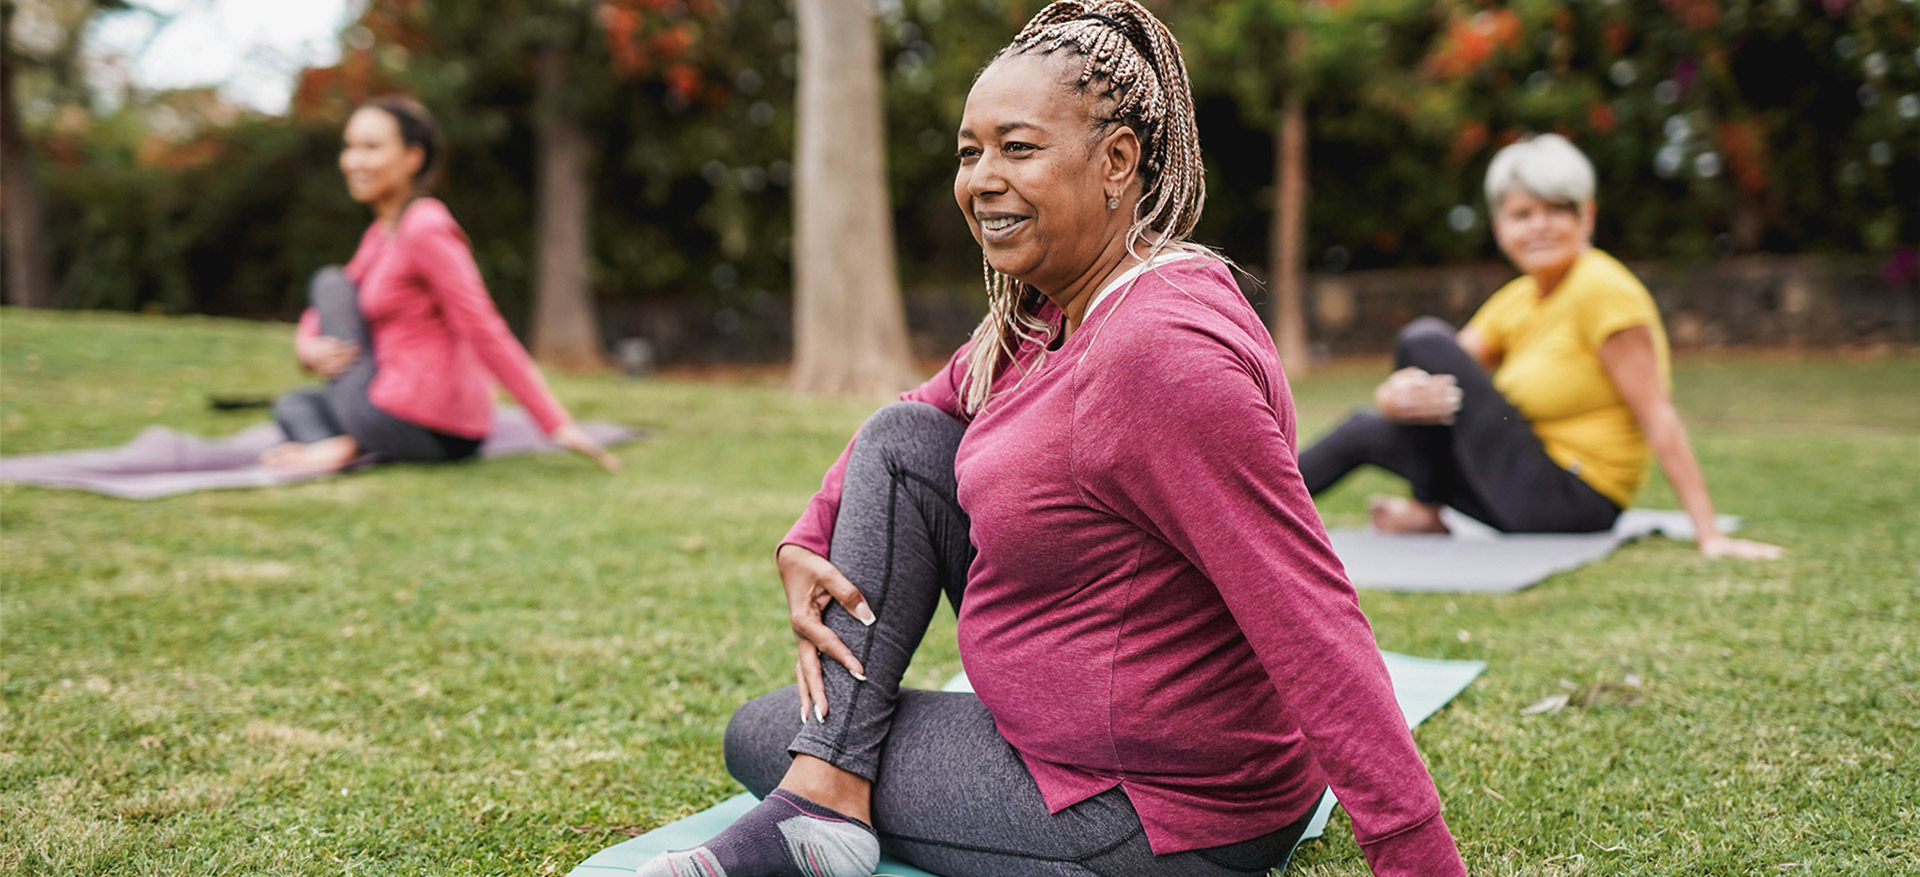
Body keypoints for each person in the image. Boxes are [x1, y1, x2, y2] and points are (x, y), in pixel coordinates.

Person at [636, 4, 1465, 876]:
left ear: (1116, 163)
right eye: (969, 151)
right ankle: (826, 792)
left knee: (763, 733)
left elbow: (1308, 612)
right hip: (1071, 738)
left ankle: (820, 802)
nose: (981, 179)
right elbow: (920, 414)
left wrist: (1415, 855)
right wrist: (806, 534)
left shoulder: (1161, 356)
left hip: (1159, 806)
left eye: (1018, 148)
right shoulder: (1047, 314)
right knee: (905, 442)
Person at [1297, 134, 1780, 559]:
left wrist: (1709, 534)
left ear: (1586, 216)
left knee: (1422, 336)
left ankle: (1425, 509)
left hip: (1573, 497)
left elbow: (1657, 413)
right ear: (1500, 227)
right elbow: (1442, 371)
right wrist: (1393, 397)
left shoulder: (1602, 289)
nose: (1539, 226)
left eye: (1557, 210)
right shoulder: (1520, 298)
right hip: (1516, 486)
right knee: (1365, 427)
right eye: (1523, 214)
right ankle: (1240, 526)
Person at [263, 96, 618, 474]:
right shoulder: (382, 234)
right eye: (350, 147)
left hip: (418, 420)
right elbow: (330, 305)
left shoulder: (424, 226)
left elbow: (482, 326)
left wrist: (555, 422)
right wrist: (307, 347)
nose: (353, 161)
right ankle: (343, 443)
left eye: (371, 147)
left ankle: (342, 443)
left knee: (329, 280)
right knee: (293, 404)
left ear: (412, 158)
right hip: (405, 416)